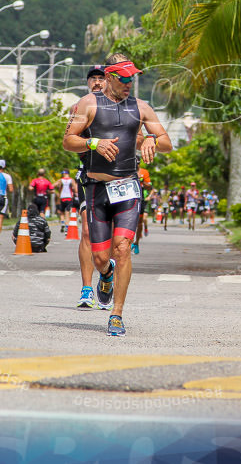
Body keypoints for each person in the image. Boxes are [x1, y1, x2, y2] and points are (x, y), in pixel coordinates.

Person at [63, 54, 172, 336]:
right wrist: (93, 143)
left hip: (127, 187)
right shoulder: (87, 104)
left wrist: (151, 138)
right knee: (100, 258)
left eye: (132, 79)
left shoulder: (142, 107)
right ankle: (106, 276)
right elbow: (68, 141)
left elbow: (167, 143)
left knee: (123, 248)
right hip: (97, 187)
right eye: (124, 79)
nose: (129, 84)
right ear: (109, 78)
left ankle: (117, 314)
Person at [75, 65, 108, 310]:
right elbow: (70, 141)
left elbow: (137, 136)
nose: (97, 83)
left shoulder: (124, 107)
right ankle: (87, 289)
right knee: (87, 232)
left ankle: (107, 280)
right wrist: (92, 142)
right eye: (93, 79)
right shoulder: (81, 107)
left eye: (101, 78)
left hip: (118, 179)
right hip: (88, 176)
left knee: (113, 240)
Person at [133, 162, 152, 254]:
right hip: (128, 199)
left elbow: (149, 187)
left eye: (138, 163)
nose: (136, 165)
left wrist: (142, 181)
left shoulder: (144, 172)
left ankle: (136, 242)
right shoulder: (126, 169)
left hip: (140, 199)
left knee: (140, 222)